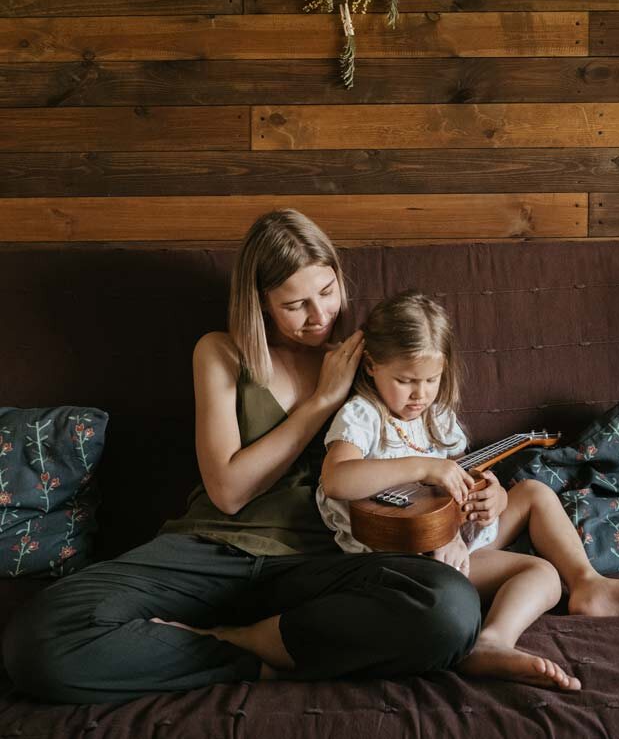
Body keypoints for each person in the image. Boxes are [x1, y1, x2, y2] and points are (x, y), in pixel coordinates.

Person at [2, 210, 481, 704]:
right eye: (295, 304)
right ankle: (256, 659)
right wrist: (321, 401)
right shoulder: (221, 353)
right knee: (38, 639)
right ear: (261, 303)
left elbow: (418, 454)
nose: (320, 315)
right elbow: (228, 492)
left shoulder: (371, 363)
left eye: (327, 291)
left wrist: (455, 525)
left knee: (450, 608)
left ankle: (257, 642)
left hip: (320, 566)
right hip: (210, 550)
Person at [317, 290, 619, 691]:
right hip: (404, 557)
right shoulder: (363, 416)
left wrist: (492, 496)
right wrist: (424, 466)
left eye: (431, 380)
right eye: (405, 381)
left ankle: (587, 583)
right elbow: (337, 479)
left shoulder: (436, 417)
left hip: (454, 537)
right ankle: (491, 642)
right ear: (372, 366)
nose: (420, 394)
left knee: (533, 492)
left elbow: (461, 480)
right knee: (542, 573)